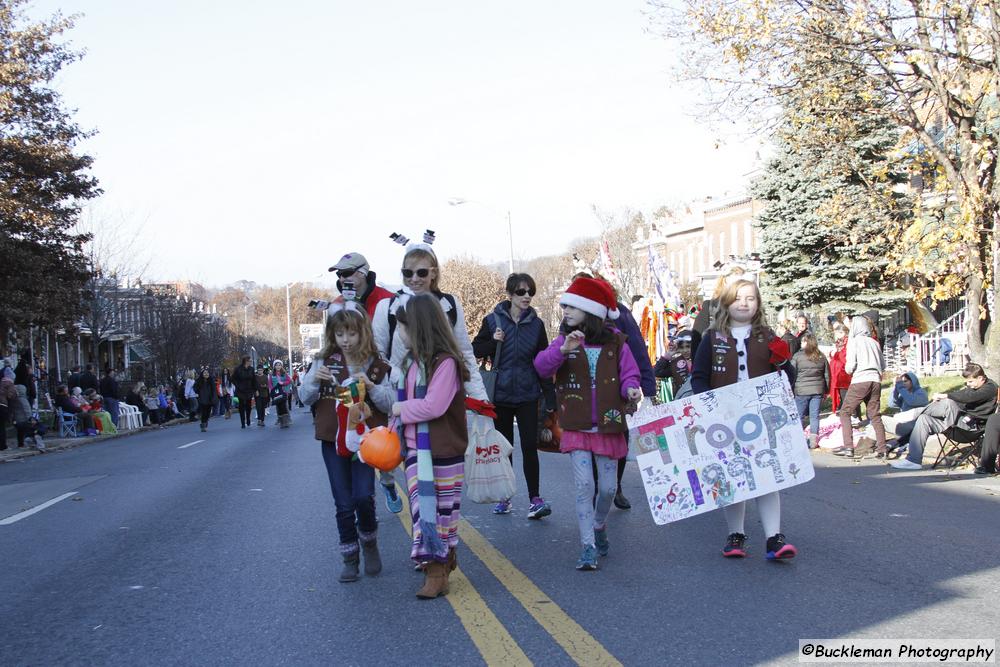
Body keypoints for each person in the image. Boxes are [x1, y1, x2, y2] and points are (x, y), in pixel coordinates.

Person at [533, 277, 642, 570]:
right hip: (577, 425)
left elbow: (629, 374)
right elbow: (541, 367)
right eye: (564, 305)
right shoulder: (564, 341)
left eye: (571, 305)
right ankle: (587, 547)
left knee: (607, 488)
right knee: (584, 486)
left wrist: (631, 388)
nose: (564, 310)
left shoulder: (617, 341)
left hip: (608, 426)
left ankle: (598, 525)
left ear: (590, 310)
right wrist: (562, 350)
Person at [372, 241, 488, 514]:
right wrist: (399, 379)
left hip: (439, 399)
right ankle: (392, 486)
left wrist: (481, 399)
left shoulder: (449, 304)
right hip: (399, 397)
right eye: (407, 273)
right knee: (395, 464)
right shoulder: (388, 307)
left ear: (433, 272)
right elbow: (376, 353)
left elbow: (463, 353)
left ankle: (437, 546)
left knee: (440, 494)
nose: (414, 279)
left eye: (421, 272)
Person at [690, 279, 798, 561]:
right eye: (738, 298)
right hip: (724, 419)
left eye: (750, 298)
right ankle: (735, 534)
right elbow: (699, 377)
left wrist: (784, 362)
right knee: (733, 478)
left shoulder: (767, 336)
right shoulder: (712, 338)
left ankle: (774, 538)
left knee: (767, 478)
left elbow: (787, 381)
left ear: (758, 303)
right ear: (726, 303)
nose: (744, 303)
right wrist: (708, 405)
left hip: (761, 419)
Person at [300, 303, 394, 583]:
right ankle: (350, 556)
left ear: (361, 333)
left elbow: (390, 403)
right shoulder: (324, 360)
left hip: (366, 442)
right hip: (333, 439)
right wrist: (314, 382)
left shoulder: (376, 363)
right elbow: (304, 397)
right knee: (343, 502)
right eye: (340, 334)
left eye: (351, 333)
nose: (345, 340)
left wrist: (373, 387)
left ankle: (369, 541)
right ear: (332, 335)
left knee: (363, 497)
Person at [390, 293, 470, 598]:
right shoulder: (411, 363)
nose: (399, 333)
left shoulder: (445, 363)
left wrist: (401, 410)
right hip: (415, 451)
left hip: (444, 451)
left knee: (444, 514)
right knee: (425, 513)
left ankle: (443, 561)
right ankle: (435, 569)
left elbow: (434, 405)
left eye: (403, 327)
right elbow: (403, 402)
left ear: (419, 327)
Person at [471, 272, 554, 519]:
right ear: (510, 294)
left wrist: (550, 398)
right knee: (504, 448)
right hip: (502, 395)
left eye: (530, 292)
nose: (526, 296)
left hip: (528, 393)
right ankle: (505, 497)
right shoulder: (493, 320)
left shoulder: (537, 325)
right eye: (521, 292)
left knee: (530, 446)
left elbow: (543, 363)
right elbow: (475, 349)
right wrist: (492, 342)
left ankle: (535, 500)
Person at [890, 363, 998, 471]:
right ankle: (913, 460)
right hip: (955, 423)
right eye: (967, 382)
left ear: (980, 378)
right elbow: (962, 397)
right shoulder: (974, 387)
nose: (968, 384)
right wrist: (941, 400)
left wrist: (945, 396)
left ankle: (915, 413)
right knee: (924, 419)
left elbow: (969, 397)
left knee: (948, 403)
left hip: (971, 428)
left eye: (970, 381)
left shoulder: (990, 388)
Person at [833, 316, 886, 459]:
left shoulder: (854, 342)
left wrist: (850, 369)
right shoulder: (874, 343)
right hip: (875, 380)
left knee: (845, 412)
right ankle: (882, 449)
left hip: (860, 380)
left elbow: (850, 367)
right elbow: (883, 364)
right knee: (875, 414)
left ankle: (848, 447)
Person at [691, 264, 746, 356]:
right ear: (725, 283)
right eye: (735, 284)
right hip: (717, 363)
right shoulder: (710, 308)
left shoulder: (751, 309)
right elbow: (696, 344)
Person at [329, 251, 395, 319]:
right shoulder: (337, 304)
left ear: (362, 273)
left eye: (346, 273)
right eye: (339, 274)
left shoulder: (389, 299)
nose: (341, 279)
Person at [791, 333, 829, 449]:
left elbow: (792, 373)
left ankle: (798, 439)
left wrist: (791, 388)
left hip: (801, 390)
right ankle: (814, 441)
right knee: (814, 416)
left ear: (806, 343)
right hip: (817, 390)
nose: (801, 343)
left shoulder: (798, 356)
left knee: (799, 415)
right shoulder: (821, 357)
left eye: (803, 341)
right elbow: (826, 375)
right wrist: (825, 390)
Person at [654, 330, 693, 397]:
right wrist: (667, 356)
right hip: (683, 401)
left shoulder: (701, 360)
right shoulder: (675, 364)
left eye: (688, 346)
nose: (685, 350)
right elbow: (657, 372)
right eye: (682, 347)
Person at [12, 384, 44, 451]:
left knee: (20, 432)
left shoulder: (14, 399)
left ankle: (21, 444)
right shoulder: (23, 399)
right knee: (30, 432)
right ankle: (36, 445)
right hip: (24, 419)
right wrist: (30, 418)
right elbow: (27, 409)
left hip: (17, 419)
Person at [232, 356, 256, 429]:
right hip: (240, 390)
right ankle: (242, 422)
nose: (251, 362)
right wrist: (238, 385)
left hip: (249, 390)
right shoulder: (238, 369)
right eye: (249, 361)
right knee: (241, 406)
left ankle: (248, 418)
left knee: (248, 406)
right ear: (245, 361)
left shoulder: (251, 369)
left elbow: (254, 380)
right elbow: (232, 378)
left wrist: (255, 389)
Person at [269, 361, 293, 428]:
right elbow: (270, 384)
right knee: (278, 407)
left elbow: (289, 381)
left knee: (284, 406)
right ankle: (281, 421)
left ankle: (286, 421)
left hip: (283, 392)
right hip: (276, 393)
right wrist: (272, 390)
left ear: (281, 366)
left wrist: (282, 383)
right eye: (277, 365)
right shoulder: (271, 374)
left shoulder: (284, 373)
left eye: (279, 365)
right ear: (274, 366)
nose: (278, 366)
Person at [0, 376, 17, 450]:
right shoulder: (9, 383)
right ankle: (2, 446)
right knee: (1, 427)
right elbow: (11, 396)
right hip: (2, 405)